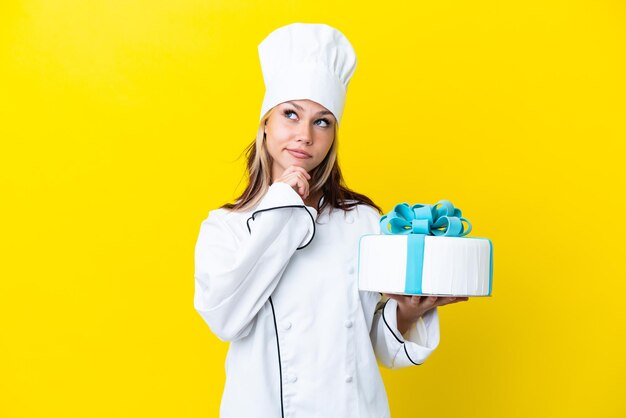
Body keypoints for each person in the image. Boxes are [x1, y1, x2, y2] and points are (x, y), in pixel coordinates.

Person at [194, 22, 468, 418]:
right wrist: (283, 207)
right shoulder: (226, 227)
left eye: (322, 121)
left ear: (333, 134)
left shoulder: (364, 221)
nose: (304, 135)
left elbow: (374, 347)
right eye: (291, 114)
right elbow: (226, 320)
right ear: (266, 122)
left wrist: (408, 311)